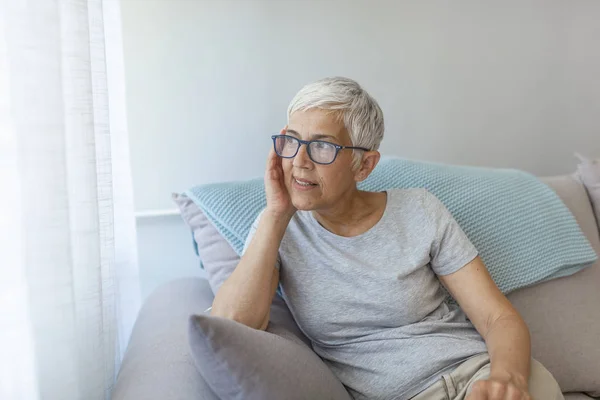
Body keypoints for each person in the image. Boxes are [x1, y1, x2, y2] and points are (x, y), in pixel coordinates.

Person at [210, 77, 564, 400]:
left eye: (322, 147)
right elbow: (231, 325)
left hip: (478, 374)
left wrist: (507, 379)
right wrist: (276, 215)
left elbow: (497, 318)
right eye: (292, 141)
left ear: (364, 166)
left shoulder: (420, 210)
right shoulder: (278, 228)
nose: (300, 160)